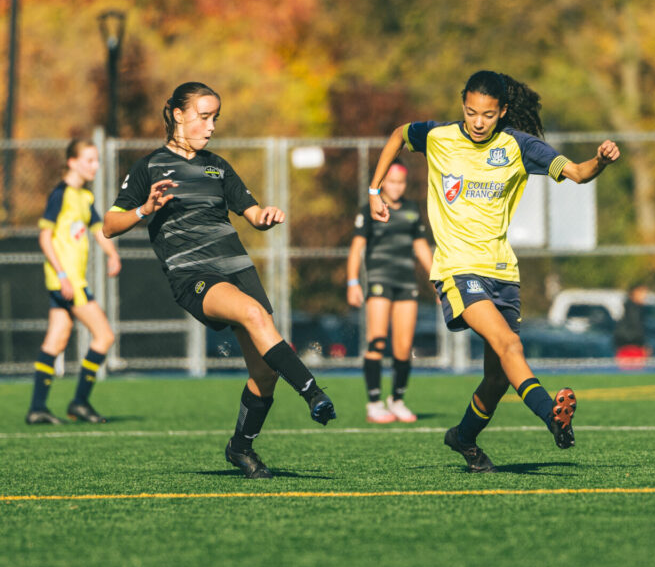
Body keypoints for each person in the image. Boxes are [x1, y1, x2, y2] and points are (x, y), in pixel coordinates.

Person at [367, 70, 620, 472]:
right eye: (470, 112)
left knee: (498, 379)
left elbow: (577, 173)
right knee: (509, 345)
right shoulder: (439, 137)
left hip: (503, 272)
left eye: (487, 114)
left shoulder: (519, 146)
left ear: (502, 111)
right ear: (462, 107)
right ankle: (551, 417)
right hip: (457, 269)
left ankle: (463, 438)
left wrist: (600, 160)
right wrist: (374, 189)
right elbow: (399, 133)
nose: (478, 122)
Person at [102, 82, 336, 479]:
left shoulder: (218, 166)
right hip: (193, 274)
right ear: (178, 114)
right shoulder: (149, 167)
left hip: (237, 267)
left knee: (263, 375)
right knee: (252, 313)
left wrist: (265, 217)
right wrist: (145, 208)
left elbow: (252, 212)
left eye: (215, 118)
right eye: (203, 116)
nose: (210, 126)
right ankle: (313, 392)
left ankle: (240, 448)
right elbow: (109, 225)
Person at [27, 140, 121, 425]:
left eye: (96, 160)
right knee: (104, 336)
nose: (95, 165)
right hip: (69, 281)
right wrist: (64, 275)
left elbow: (97, 230)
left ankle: (37, 409)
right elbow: (45, 238)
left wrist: (112, 255)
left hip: (67, 281)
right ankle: (79, 402)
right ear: (72, 162)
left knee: (57, 339)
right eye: (89, 160)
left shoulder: (84, 197)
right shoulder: (61, 194)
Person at [347, 161, 433, 423]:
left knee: (404, 347)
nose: (396, 186)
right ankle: (374, 403)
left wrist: (437, 282)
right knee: (377, 340)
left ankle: (396, 400)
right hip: (379, 281)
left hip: (406, 282)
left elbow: (421, 248)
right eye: (392, 181)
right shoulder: (370, 210)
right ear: (383, 182)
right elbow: (356, 248)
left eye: (401, 182)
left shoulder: (411, 210)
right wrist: (353, 282)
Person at [613, 282, 650, 369]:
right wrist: (642, 345)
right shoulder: (633, 309)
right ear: (634, 293)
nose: (644, 296)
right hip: (630, 347)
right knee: (632, 373)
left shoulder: (633, 308)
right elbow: (636, 329)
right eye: (642, 292)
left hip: (626, 345)